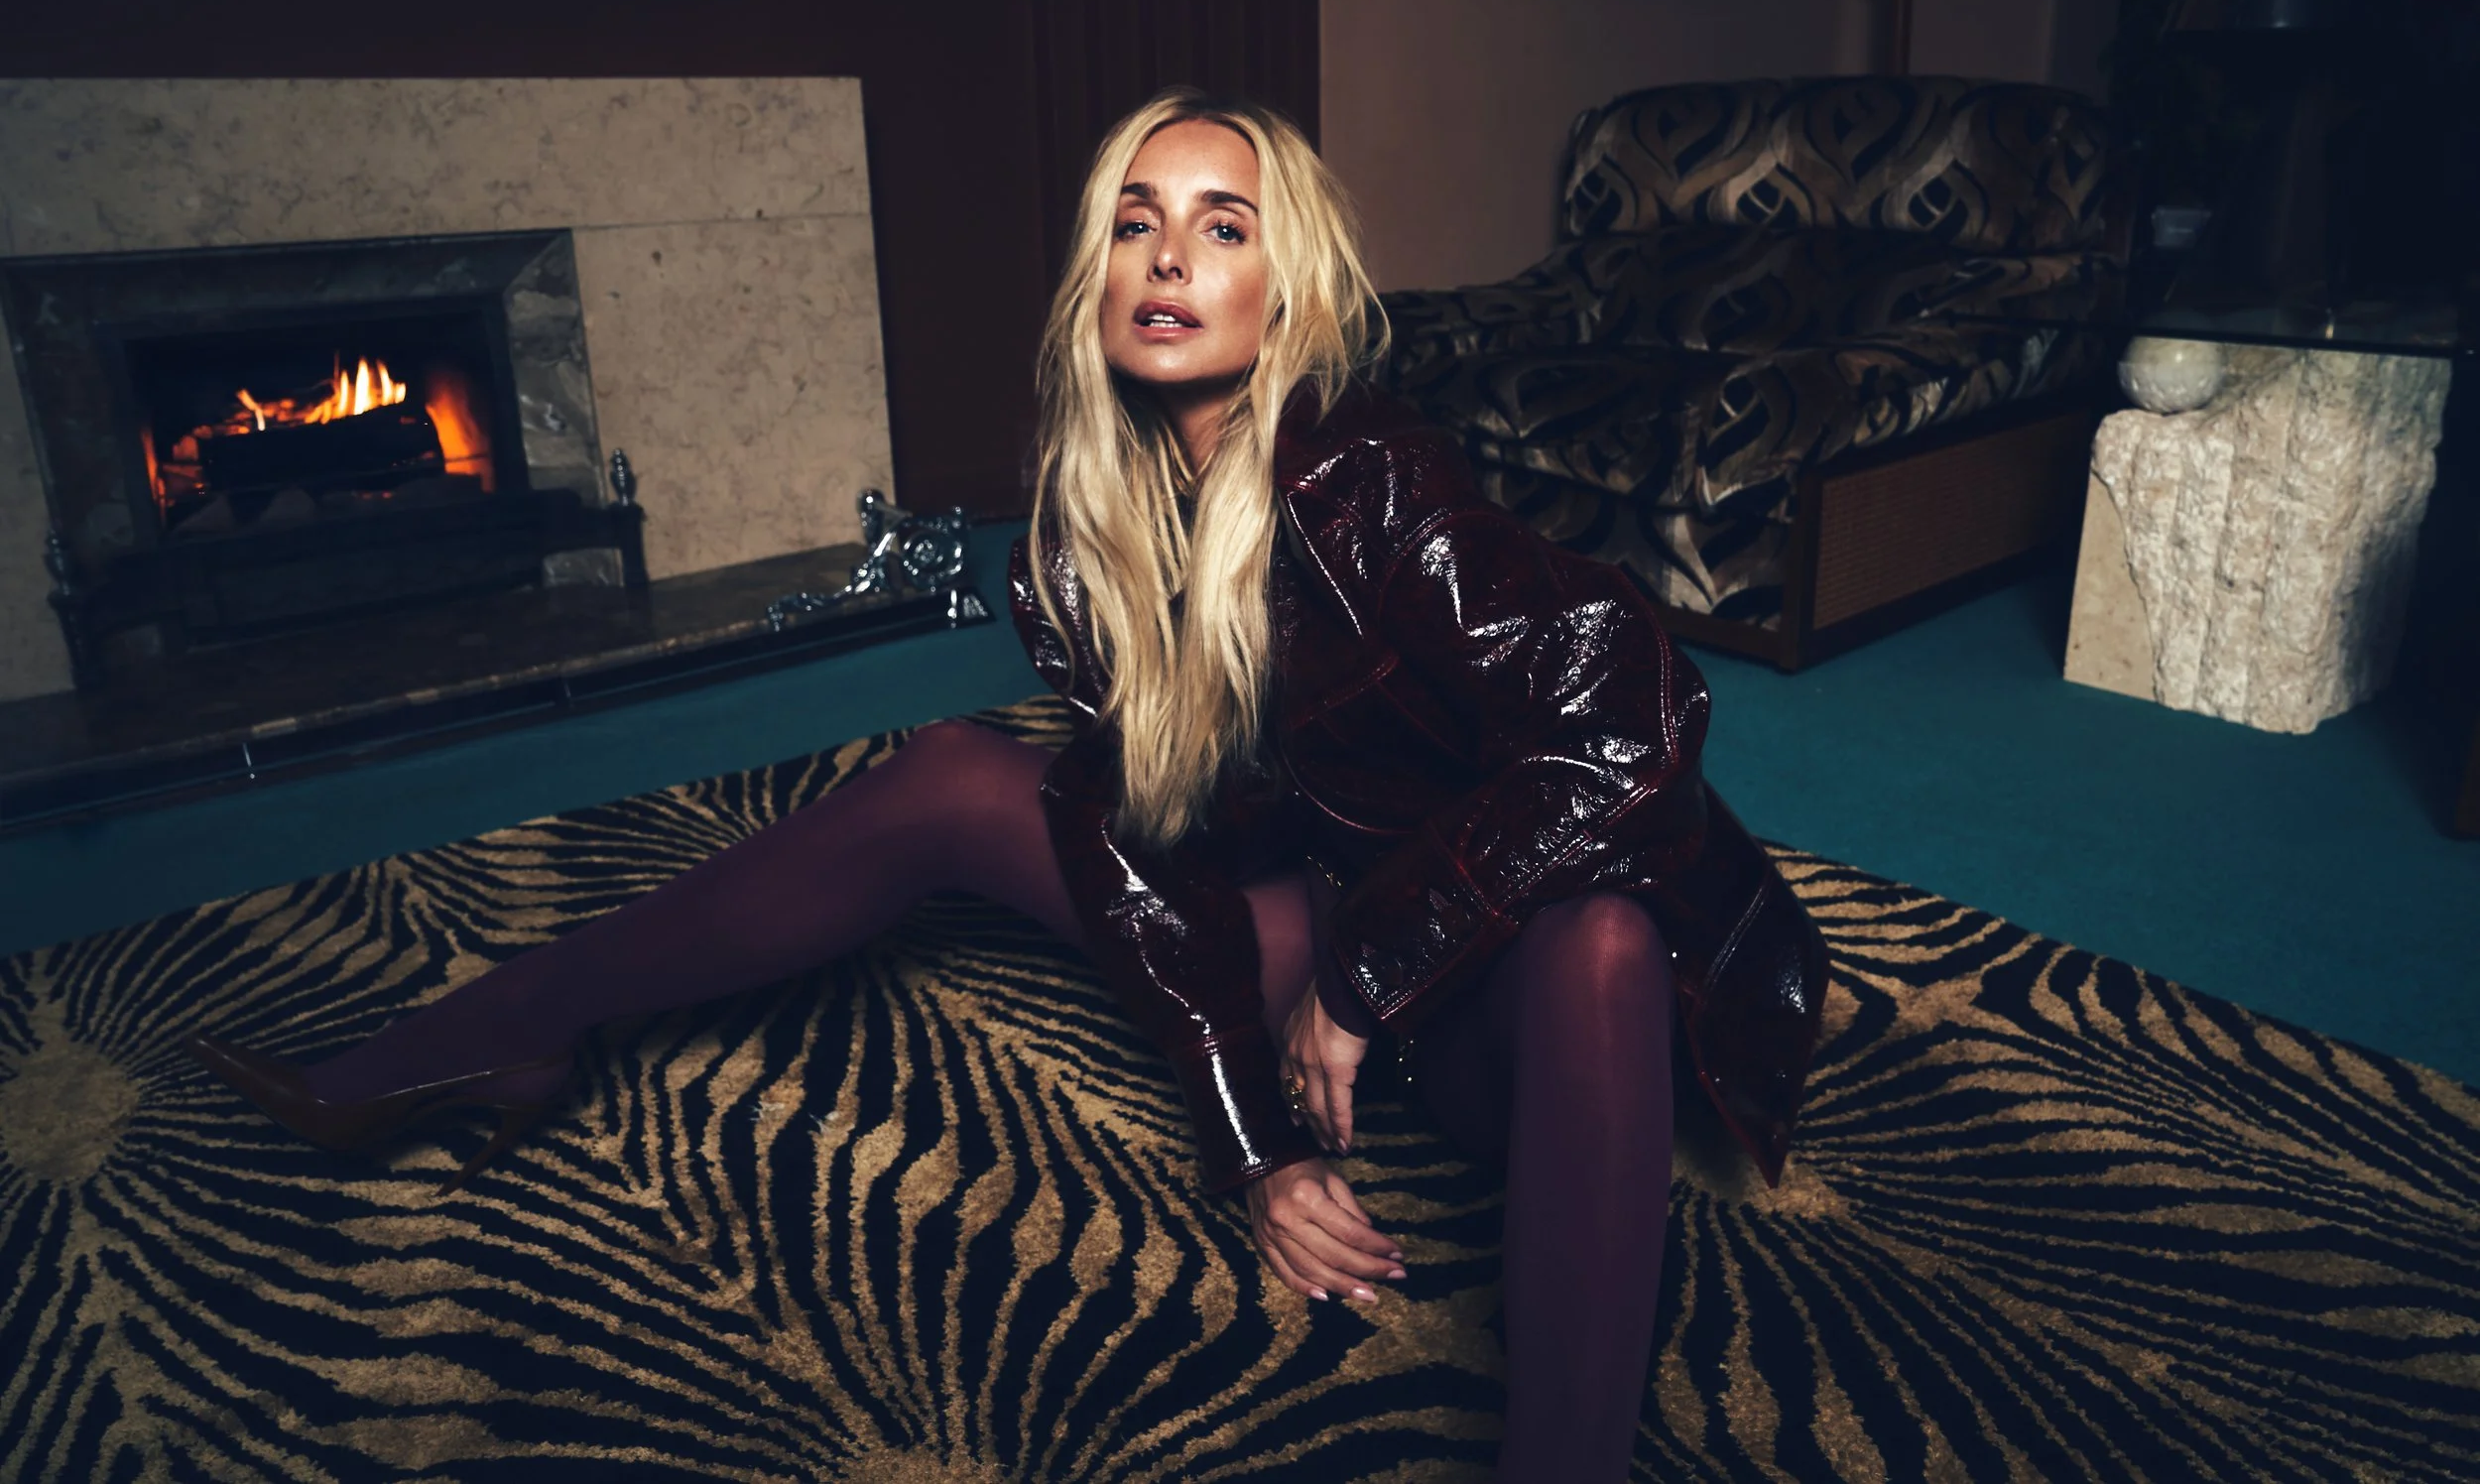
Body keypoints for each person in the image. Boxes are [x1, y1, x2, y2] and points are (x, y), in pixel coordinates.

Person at [186, 87, 1828, 1481]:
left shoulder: (1372, 477)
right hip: (1335, 909)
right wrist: (1257, 1143)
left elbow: (1637, 718)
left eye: (1223, 227)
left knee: (1607, 932)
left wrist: (1360, 981)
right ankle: (504, 1028)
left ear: (1292, 298)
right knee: (961, 774)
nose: (1168, 256)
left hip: (1502, 979)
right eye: (1134, 222)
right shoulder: (1081, 534)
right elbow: (1120, 845)